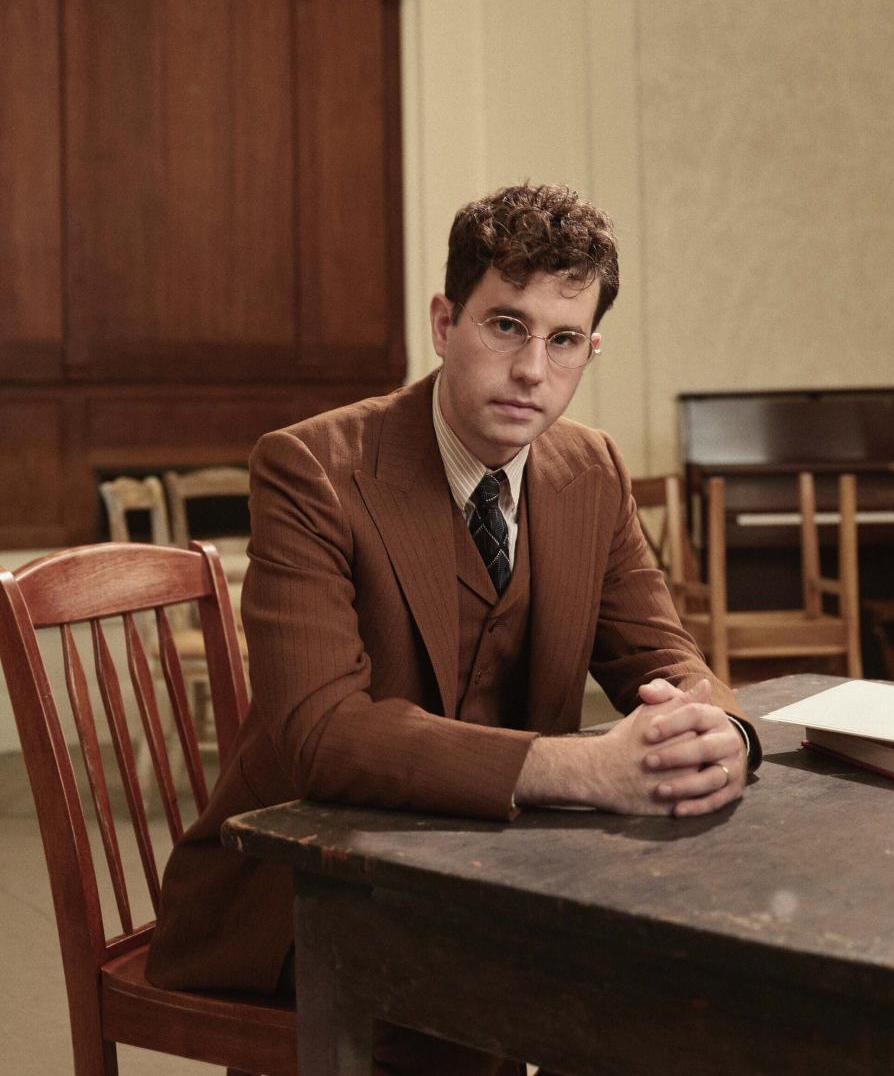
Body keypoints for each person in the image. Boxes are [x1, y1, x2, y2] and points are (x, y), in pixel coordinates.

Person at [147, 182, 760, 1075]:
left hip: (494, 887)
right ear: (444, 322)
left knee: (701, 994)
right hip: (305, 901)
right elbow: (321, 732)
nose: (531, 372)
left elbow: (664, 657)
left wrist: (724, 733)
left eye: (563, 341)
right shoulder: (310, 468)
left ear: (591, 348)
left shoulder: (590, 469)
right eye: (505, 326)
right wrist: (582, 766)